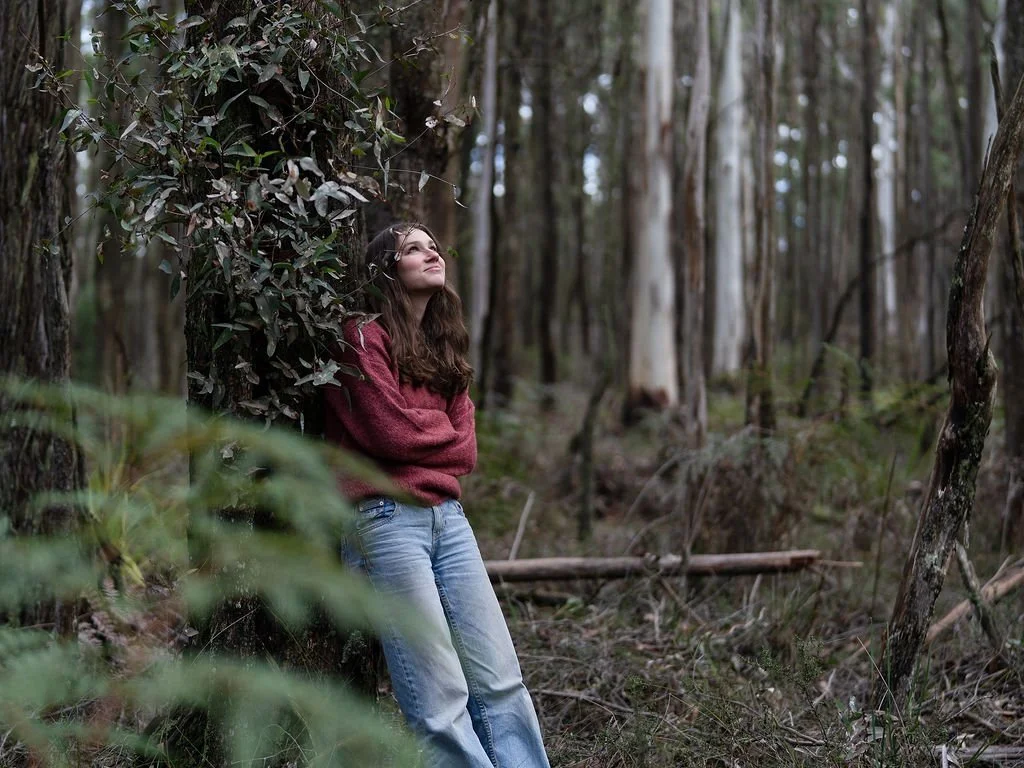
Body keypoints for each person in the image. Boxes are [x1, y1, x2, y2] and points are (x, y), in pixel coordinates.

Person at [324, 223, 550, 768]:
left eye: (433, 245)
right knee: (438, 694)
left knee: (500, 680)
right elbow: (387, 432)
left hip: (449, 519)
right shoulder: (359, 336)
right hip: (383, 521)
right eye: (413, 248)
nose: (431, 253)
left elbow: (465, 451)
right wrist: (432, 431)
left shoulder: (443, 346)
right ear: (387, 267)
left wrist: (422, 433)